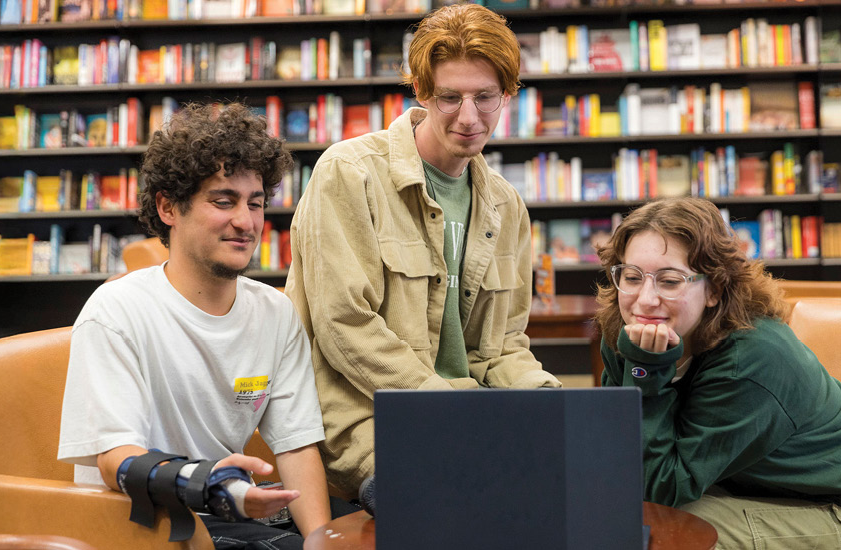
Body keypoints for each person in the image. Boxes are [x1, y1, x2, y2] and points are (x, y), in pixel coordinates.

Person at [284, 3, 561, 497]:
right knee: (474, 497)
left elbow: (501, 347)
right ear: (421, 91)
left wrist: (549, 401)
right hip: (364, 423)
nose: (469, 117)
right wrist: (446, 407)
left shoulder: (506, 205)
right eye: (450, 97)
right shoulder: (350, 173)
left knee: (574, 477)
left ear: (509, 95)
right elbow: (344, 325)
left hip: (465, 415)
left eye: (486, 97)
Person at [58, 103, 345, 549]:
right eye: (223, 201)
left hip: (230, 521)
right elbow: (115, 460)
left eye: (255, 203)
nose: (246, 222)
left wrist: (323, 542)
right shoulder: (115, 312)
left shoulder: (275, 312)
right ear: (169, 207)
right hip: (142, 527)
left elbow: (296, 445)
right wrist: (214, 486)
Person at [596, 197, 841, 549]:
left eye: (669, 281)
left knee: (661, 536)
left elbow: (660, 488)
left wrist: (648, 371)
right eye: (632, 277)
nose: (644, 300)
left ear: (714, 289)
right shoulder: (628, 331)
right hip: (751, 485)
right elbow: (621, 453)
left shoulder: (749, 361)